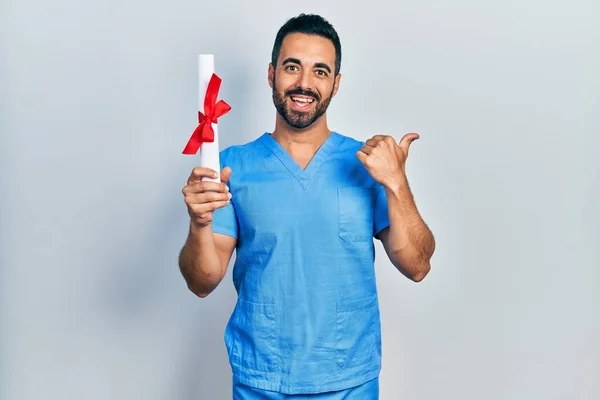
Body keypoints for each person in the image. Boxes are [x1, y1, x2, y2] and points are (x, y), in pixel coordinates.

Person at [178, 13, 435, 399]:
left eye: (320, 71)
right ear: (271, 74)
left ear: (336, 83)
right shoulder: (231, 168)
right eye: (292, 67)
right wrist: (199, 223)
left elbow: (417, 265)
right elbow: (201, 282)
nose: (304, 83)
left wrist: (397, 182)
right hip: (263, 381)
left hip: (349, 381)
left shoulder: (367, 164)